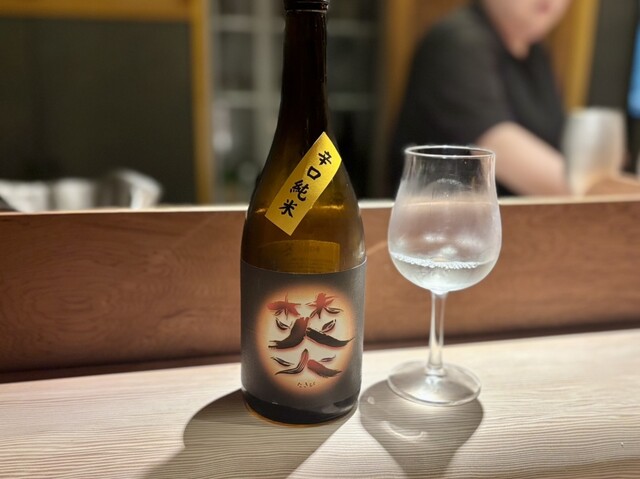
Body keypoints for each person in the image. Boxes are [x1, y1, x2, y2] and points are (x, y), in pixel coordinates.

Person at [389, 0, 572, 196]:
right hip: (443, 210)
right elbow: (500, 148)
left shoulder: (536, 53)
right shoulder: (458, 42)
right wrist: (590, 189)